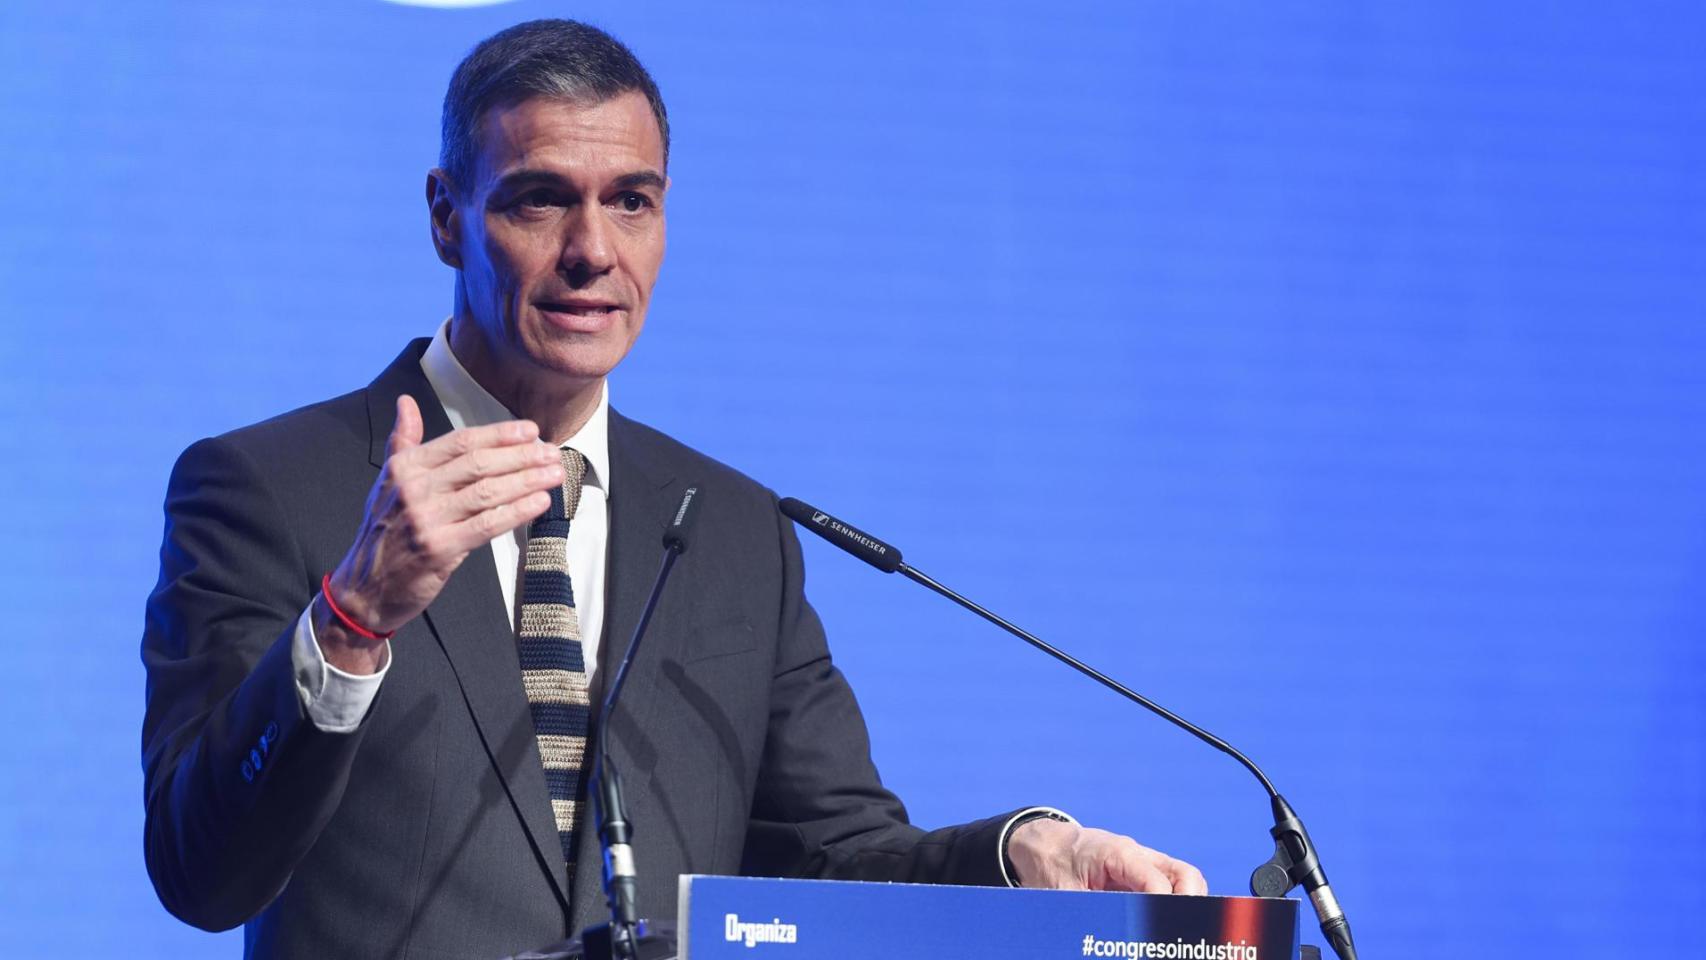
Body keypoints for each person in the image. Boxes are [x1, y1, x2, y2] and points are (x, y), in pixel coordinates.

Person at [141, 19, 1206, 959]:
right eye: (539, 200)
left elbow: (834, 858)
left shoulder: (737, 529)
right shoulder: (269, 486)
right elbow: (203, 874)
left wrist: (1025, 859)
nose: (592, 252)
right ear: (446, 215)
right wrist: (353, 616)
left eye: (631, 202)